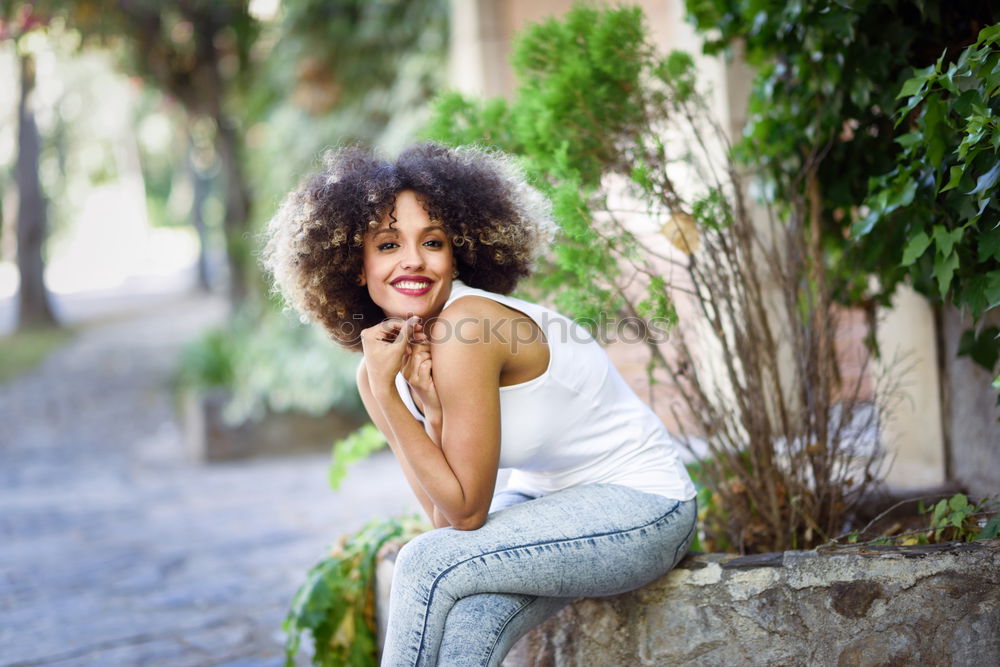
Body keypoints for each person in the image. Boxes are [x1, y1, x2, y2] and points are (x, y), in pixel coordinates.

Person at [263, 143, 697, 666]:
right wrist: (428, 410)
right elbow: (445, 518)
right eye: (387, 244)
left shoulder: (468, 326)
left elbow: (465, 516)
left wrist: (388, 398)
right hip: (546, 505)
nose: (413, 261)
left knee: (422, 562)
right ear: (355, 265)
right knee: (473, 616)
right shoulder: (382, 363)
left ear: (457, 253)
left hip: (644, 508)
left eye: (433, 241)